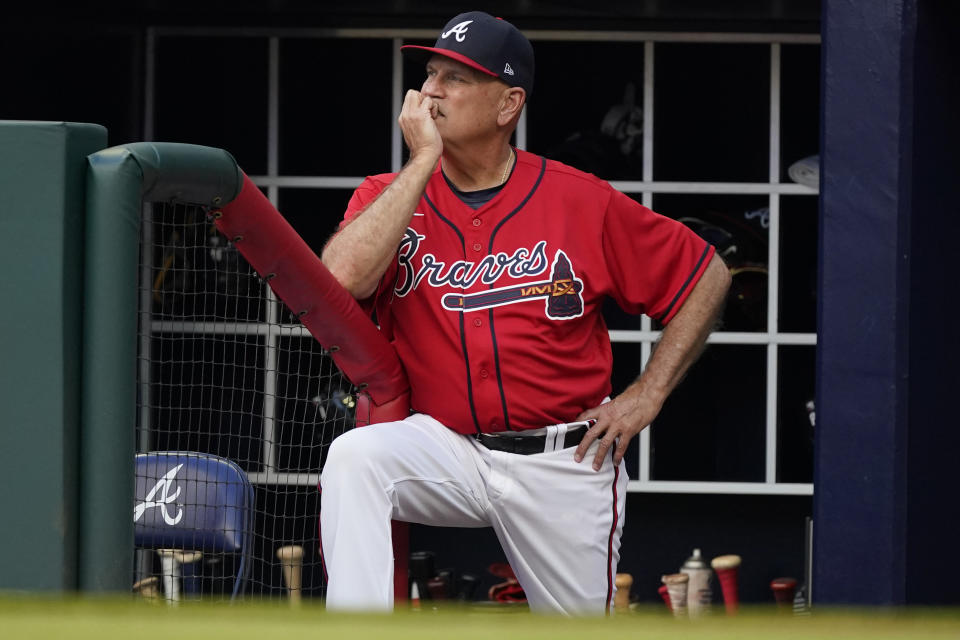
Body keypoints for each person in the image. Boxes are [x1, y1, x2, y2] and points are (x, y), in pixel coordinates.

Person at [319, 11, 731, 615]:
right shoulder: (391, 193)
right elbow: (340, 279)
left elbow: (708, 275)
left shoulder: (578, 199)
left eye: (455, 79)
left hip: (563, 459)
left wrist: (648, 393)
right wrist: (421, 166)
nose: (430, 90)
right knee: (356, 458)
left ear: (507, 104)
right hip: (449, 446)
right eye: (430, 73)